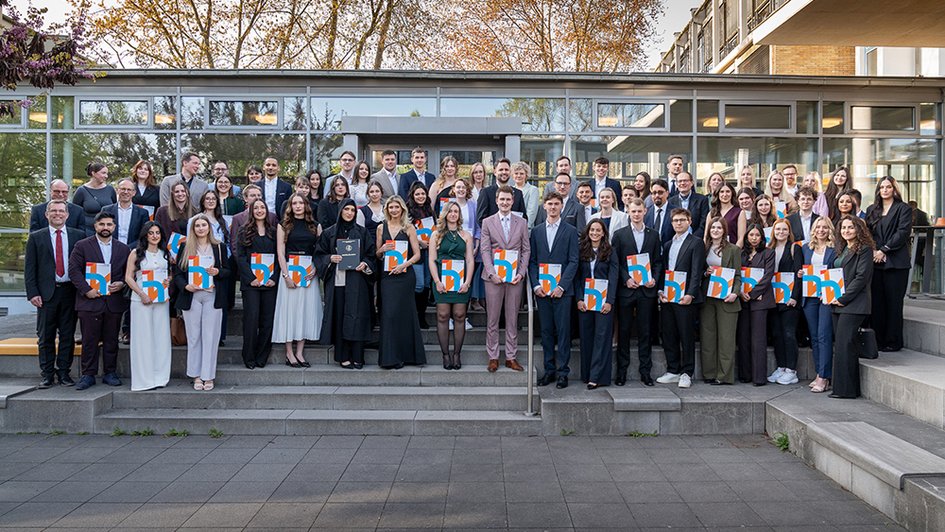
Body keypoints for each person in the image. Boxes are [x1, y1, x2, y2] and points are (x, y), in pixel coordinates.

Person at [25, 200, 84, 388]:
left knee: (67, 336)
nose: (57, 214)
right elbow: (30, 268)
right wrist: (32, 293)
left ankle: (64, 373)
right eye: (53, 211)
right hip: (45, 294)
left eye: (61, 211)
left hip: (70, 292)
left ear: (67, 215)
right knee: (45, 337)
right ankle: (47, 374)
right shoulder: (36, 237)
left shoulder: (78, 236)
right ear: (46, 214)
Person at [68, 211, 130, 390]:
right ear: (95, 226)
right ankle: (88, 375)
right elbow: (73, 271)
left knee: (111, 339)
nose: (105, 228)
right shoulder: (82, 246)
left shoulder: (123, 248)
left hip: (114, 301)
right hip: (90, 301)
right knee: (89, 339)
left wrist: (122, 284)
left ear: (114, 227)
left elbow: (130, 273)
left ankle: (110, 372)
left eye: (109, 224)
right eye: (102, 224)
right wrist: (87, 290)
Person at [316, 199, 376, 369]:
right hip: (338, 282)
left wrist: (365, 264)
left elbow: (371, 256)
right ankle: (343, 356)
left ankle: (358, 356)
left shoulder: (362, 232)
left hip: (357, 283)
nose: (349, 213)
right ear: (341, 210)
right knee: (340, 318)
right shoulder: (329, 233)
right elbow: (319, 255)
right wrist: (330, 258)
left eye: (352, 210)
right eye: (346, 209)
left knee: (357, 318)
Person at [172, 213, 229, 391]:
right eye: (197, 226)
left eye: (204, 225)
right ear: (193, 229)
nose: (201, 228)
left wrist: (217, 272)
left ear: (209, 228)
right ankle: (196, 375)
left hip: (212, 295)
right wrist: (185, 286)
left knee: (210, 337)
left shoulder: (218, 247)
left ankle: (208, 376)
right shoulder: (185, 247)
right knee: (194, 336)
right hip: (192, 296)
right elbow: (177, 274)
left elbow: (228, 271)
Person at [529, 192, 580, 389]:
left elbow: (574, 261)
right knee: (547, 331)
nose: (552, 207)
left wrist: (561, 286)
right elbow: (532, 261)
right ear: (544, 206)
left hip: (562, 291)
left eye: (556, 204)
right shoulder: (537, 231)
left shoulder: (570, 231)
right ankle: (549, 370)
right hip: (542, 291)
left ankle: (563, 373)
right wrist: (536, 285)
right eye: (549, 204)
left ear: (561, 206)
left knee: (564, 332)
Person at [480, 185, 530, 373]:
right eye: (502, 199)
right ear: (496, 200)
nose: (505, 202)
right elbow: (485, 250)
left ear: (513, 201)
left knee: (512, 318)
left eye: (508, 199)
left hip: (515, 277)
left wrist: (521, 272)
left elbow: (526, 249)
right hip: (493, 277)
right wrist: (492, 272)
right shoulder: (487, 222)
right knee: (492, 319)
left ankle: (511, 356)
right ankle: (493, 356)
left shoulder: (522, 222)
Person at [612, 198, 662, 386]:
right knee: (624, 331)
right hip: (627, 291)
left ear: (645, 211)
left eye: (639, 211)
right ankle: (621, 372)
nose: (636, 214)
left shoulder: (653, 235)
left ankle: (645, 372)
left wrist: (654, 279)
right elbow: (616, 262)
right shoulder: (619, 235)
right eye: (633, 211)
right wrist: (626, 279)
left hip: (646, 292)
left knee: (645, 332)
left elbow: (657, 261)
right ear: (628, 212)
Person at [655, 208, 705, 388]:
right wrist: (660, 290)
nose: (678, 223)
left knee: (686, 335)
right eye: (675, 220)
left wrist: (690, 294)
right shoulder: (668, 244)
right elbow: (663, 270)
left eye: (682, 220)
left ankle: (687, 372)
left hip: (686, 297)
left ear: (689, 221)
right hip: (669, 296)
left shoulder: (696, 243)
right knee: (669, 334)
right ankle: (673, 370)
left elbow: (697, 271)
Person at [273, 194, 322, 367]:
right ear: (290, 206)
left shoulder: (315, 226)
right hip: (289, 271)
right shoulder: (283, 225)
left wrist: (315, 270)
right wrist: (286, 276)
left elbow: (320, 251)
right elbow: (280, 251)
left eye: (301, 203)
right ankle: (289, 353)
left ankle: (300, 352)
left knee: (304, 311)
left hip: (308, 273)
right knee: (290, 311)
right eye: (294, 203)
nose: (298, 206)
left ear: (306, 205)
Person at [376, 195, 424, 369]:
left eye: (397, 207)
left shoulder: (409, 227)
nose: (394, 210)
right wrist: (381, 250)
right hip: (387, 277)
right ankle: (390, 358)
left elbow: (417, 254)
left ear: (402, 209)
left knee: (405, 314)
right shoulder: (381, 228)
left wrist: (404, 264)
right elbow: (377, 255)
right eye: (391, 207)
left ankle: (408, 356)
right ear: (387, 209)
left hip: (405, 277)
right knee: (389, 315)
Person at [830, 215, 875, 399]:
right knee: (843, 346)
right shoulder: (841, 249)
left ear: (858, 229)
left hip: (854, 304)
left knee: (844, 346)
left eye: (850, 227)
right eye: (843, 228)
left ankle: (845, 391)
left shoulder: (864, 250)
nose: (846, 231)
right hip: (838, 303)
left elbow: (861, 278)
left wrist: (844, 298)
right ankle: (849, 388)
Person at [866, 176, 913, 352]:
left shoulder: (903, 209)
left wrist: (884, 250)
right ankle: (878, 340)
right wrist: (873, 251)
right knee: (877, 303)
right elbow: (867, 233)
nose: (885, 190)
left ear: (894, 189)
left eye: (888, 187)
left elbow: (902, 233)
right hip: (875, 261)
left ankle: (893, 341)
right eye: (882, 187)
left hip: (896, 262)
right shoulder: (872, 209)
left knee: (893, 303)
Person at [124, 221, 172, 391]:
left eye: (157, 232)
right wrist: (141, 294)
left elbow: (168, 274)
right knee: (142, 339)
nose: (154, 236)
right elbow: (128, 277)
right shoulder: (136, 253)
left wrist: (168, 281)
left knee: (161, 338)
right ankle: (143, 380)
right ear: (145, 235)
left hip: (160, 301)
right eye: (151, 233)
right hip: (141, 301)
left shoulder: (165, 253)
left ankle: (160, 376)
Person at [429, 200, 475, 369]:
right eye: (451, 211)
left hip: (461, 280)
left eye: (456, 211)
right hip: (441, 279)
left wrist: (468, 282)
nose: (454, 214)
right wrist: (437, 281)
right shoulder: (436, 234)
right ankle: (445, 355)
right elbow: (432, 261)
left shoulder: (466, 235)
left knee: (459, 315)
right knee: (442, 315)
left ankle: (457, 354)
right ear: (446, 214)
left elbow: (470, 260)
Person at [236, 200, 280, 369]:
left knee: (267, 321)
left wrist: (274, 277)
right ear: (251, 211)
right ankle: (249, 356)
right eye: (256, 208)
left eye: (262, 207)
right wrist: (250, 278)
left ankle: (262, 356)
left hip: (269, 283)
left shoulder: (274, 232)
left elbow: (279, 256)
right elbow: (240, 257)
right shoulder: (243, 231)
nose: (260, 210)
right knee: (251, 319)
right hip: (251, 283)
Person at [576, 219, 618, 390]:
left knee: (602, 337)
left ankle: (597, 376)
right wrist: (578, 299)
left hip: (603, 300)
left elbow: (614, 277)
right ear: (588, 231)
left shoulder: (610, 251)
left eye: (598, 230)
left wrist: (609, 301)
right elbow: (577, 277)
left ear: (603, 233)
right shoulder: (581, 250)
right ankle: (587, 374)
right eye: (592, 230)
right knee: (586, 338)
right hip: (585, 300)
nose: (594, 233)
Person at [700, 216, 742, 386]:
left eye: (719, 228)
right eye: (713, 228)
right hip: (708, 297)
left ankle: (724, 376)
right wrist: (705, 273)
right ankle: (709, 373)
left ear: (724, 230)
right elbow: (698, 271)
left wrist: (735, 293)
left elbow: (738, 275)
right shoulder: (703, 248)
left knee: (726, 338)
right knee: (708, 337)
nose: (715, 230)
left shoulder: (733, 250)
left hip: (727, 298)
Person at [190, 190, 232, 346]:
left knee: (219, 301)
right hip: (197, 270)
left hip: (218, 264)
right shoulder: (194, 219)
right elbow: (190, 241)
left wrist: (220, 263)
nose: (210, 201)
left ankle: (219, 336)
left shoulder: (223, 221)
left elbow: (227, 242)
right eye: (207, 198)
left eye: (213, 198)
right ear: (202, 201)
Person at [800, 217, 837, 393]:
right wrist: (801, 272)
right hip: (810, 296)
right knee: (814, 337)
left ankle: (824, 376)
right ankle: (819, 373)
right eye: (818, 227)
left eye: (824, 227)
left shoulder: (835, 250)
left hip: (826, 296)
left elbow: (837, 272)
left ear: (829, 230)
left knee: (824, 336)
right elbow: (803, 268)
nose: (821, 230)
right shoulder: (806, 248)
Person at [737, 224, 775, 385]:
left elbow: (768, 275)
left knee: (758, 339)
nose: (753, 238)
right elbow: (736, 274)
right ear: (746, 237)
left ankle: (759, 377)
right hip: (742, 300)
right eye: (751, 235)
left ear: (761, 237)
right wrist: (741, 293)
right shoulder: (741, 254)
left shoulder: (768, 253)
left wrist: (753, 294)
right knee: (743, 338)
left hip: (760, 300)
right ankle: (745, 375)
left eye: (757, 235)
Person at [767, 218, 803, 385]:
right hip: (774, 298)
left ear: (789, 232)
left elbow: (798, 273)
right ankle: (781, 367)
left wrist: (794, 297)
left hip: (789, 299)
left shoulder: (795, 248)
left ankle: (791, 370)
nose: (780, 232)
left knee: (789, 333)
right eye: (778, 229)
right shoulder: (769, 249)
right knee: (777, 334)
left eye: (784, 229)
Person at [407, 181, 435, 329]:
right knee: (417, 285)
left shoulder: (429, 210)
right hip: (415, 252)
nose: (420, 196)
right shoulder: (407, 212)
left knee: (426, 284)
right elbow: (405, 231)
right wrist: (420, 242)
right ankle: (415, 317)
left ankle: (422, 317)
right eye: (417, 194)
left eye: (423, 193)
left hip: (428, 253)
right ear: (412, 195)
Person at [229, 185, 278, 256]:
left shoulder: (272, 217)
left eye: (259, 195)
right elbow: (234, 244)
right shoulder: (237, 218)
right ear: (245, 198)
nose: (256, 197)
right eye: (253, 195)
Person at [477, 158, 527, 224]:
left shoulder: (518, 193)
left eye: (506, 170)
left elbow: (523, 218)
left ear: (510, 172)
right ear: (495, 172)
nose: (504, 172)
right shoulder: (486, 192)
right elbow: (481, 219)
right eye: (501, 170)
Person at [103, 178, 148, 250]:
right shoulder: (106, 210)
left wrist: (128, 248)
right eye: (123, 189)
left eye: (129, 189)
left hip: (133, 251)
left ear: (134, 193)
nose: (126, 192)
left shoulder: (143, 213)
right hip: (110, 249)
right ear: (117, 190)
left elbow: (144, 236)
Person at [73, 162, 117, 236]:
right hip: (87, 232)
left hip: (107, 231)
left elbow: (114, 208)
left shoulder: (110, 189)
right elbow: (75, 212)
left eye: (107, 173)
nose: (106, 176)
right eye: (103, 173)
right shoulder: (81, 191)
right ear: (93, 173)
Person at [667, 171, 709, 238]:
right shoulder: (670, 201)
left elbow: (703, 223)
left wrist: (693, 239)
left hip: (696, 239)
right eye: (680, 181)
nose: (682, 183)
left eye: (685, 181)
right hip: (676, 239)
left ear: (692, 183)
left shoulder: (702, 200)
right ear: (676, 184)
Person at [706, 182, 745, 247]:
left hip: (732, 251)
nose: (725, 194)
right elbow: (706, 236)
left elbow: (741, 238)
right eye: (722, 192)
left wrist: (733, 253)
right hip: (713, 252)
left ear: (732, 193)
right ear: (718, 194)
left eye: (728, 191)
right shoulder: (712, 213)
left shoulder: (739, 212)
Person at [644, 179, 673, 245]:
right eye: (654, 193)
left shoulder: (675, 212)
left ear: (667, 193)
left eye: (660, 192)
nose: (657, 195)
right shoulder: (645, 213)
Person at [512, 161, 540, 228]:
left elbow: (531, 212)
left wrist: (525, 227)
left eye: (521, 173)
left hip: (525, 228)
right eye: (516, 173)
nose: (518, 176)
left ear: (526, 175)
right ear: (512, 175)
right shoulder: (510, 190)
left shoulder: (532, 190)